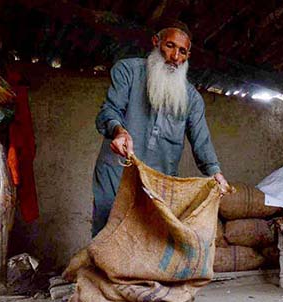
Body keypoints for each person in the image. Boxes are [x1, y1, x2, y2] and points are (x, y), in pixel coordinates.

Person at [92, 21, 230, 236]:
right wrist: (119, 131)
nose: (175, 57)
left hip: (159, 181)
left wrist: (216, 174)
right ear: (156, 42)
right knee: (108, 236)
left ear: (187, 56)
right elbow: (109, 110)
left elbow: (201, 141)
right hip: (117, 173)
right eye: (170, 46)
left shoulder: (192, 98)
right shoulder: (128, 71)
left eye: (182, 51)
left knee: (148, 242)